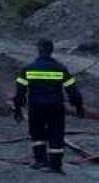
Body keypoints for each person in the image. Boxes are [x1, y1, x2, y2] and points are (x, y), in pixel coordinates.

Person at [13, 38, 84, 173]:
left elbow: (20, 92)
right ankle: (56, 165)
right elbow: (72, 90)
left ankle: (40, 161)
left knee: (37, 132)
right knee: (56, 133)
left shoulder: (28, 69)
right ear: (52, 51)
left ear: (38, 50)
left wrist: (17, 110)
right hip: (56, 107)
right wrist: (79, 107)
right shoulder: (61, 69)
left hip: (36, 107)